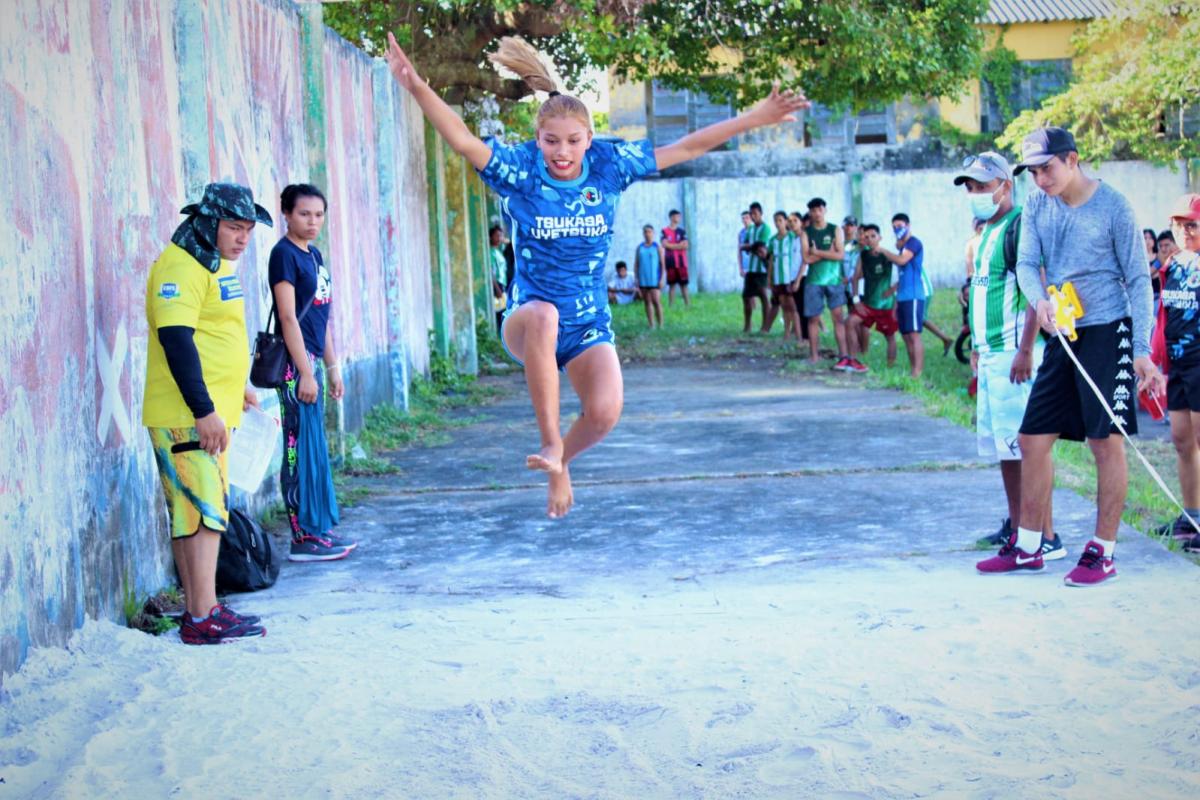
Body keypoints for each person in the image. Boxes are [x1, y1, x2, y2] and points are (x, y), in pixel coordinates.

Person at [385, 33, 807, 517]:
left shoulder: (609, 164)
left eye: (572, 141)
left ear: (589, 138)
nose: (561, 153)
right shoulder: (521, 169)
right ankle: (551, 450)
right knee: (544, 315)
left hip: (587, 323)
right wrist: (415, 84)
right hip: (528, 318)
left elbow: (687, 147)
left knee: (605, 413)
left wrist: (757, 116)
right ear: (537, 139)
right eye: (550, 142)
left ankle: (562, 456)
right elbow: (461, 139)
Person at [1006, 126, 1164, 585]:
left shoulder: (1113, 206)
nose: (1040, 180)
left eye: (1047, 168)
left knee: (1104, 442)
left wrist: (1139, 350)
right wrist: (1040, 303)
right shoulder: (1037, 204)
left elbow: (1138, 280)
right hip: (1063, 329)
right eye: (1033, 172)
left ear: (1072, 159)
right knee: (1033, 437)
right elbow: (1026, 264)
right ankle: (1030, 546)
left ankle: (1103, 551)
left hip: (1107, 331)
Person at [143, 182, 269, 644]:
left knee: (195, 512)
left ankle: (203, 609)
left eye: (249, 230)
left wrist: (237, 391)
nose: (242, 238)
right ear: (208, 221)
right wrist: (204, 409)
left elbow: (218, 335)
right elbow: (176, 341)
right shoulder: (180, 266)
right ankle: (201, 615)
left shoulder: (214, 263)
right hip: (187, 413)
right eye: (234, 227)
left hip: (211, 408)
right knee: (203, 513)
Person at [946, 152, 1064, 568]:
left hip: (1017, 356)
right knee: (1006, 449)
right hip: (991, 354)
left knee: (1028, 449)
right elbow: (982, 295)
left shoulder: (1018, 228)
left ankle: (1044, 536)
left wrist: (1026, 350)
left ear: (1004, 185)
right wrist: (977, 347)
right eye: (971, 188)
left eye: (982, 186)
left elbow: (1036, 292)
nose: (976, 195)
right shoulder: (986, 234)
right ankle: (1019, 529)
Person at [269, 184, 356, 562]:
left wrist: (332, 367)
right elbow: (288, 317)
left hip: (313, 361)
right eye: (304, 214)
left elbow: (321, 318)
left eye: (319, 215)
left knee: (314, 447)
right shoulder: (283, 255)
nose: (312, 221)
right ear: (286, 213)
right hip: (294, 364)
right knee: (296, 448)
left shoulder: (314, 254)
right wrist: (304, 371)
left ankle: (317, 529)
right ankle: (301, 538)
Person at [1151, 195, 1200, 551]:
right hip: (1177, 364)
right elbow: (1164, 317)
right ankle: (1192, 516)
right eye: (1179, 224)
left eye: (1192, 225)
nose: (1185, 231)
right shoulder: (1173, 265)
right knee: (1183, 441)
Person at [877, 213, 928, 377]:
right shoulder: (902, 246)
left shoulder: (913, 243)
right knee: (906, 335)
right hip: (903, 296)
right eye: (894, 227)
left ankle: (917, 372)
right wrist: (893, 291)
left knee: (914, 335)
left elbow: (902, 261)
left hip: (914, 295)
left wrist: (882, 250)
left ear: (908, 225)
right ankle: (913, 368)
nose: (897, 229)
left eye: (899, 226)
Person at [803, 198, 850, 367]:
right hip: (814, 281)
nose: (816, 213)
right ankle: (814, 356)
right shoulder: (806, 232)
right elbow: (807, 259)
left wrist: (818, 252)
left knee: (838, 317)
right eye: (813, 210)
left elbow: (840, 255)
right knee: (813, 319)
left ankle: (844, 355)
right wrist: (827, 252)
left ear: (825, 210)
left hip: (834, 280)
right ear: (810, 212)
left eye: (819, 210)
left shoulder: (835, 229)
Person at [846, 224, 896, 371]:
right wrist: (856, 300)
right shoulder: (863, 255)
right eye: (866, 237)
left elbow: (902, 271)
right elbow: (855, 277)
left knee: (890, 336)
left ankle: (890, 369)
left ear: (879, 238)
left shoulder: (887, 255)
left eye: (873, 236)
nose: (869, 239)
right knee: (849, 323)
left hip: (885, 305)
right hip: (867, 303)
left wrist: (893, 289)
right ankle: (853, 360)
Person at [766, 211, 802, 340]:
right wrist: (769, 277)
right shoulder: (772, 240)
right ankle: (786, 333)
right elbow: (771, 260)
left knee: (793, 307)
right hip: (778, 277)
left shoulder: (792, 237)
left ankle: (798, 335)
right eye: (775, 220)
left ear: (786, 221)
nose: (778, 223)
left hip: (789, 277)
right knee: (784, 306)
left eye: (780, 220)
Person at [740, 202, 773, 333]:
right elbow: (746, 245)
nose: (753, 217)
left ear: (761, 213)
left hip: (762, 269)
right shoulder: (751, 229)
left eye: (755, 214)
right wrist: (750, 247)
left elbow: (760, 246)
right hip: (751, 269)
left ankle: (765, 327)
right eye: (751, 214)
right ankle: (747, 326)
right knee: (746, 297)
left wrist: (750, 247)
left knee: (764, 297)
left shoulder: (766, 229)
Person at [635, 225, 666, 328]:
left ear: (653, 233)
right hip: (643, 279)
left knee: (656, 301)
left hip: (655, 280)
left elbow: (662, 264)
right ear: (643, 234)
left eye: (650, 232)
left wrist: (662, 278)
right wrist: (636, 279)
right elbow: (636, 264)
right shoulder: (640, 248)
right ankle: (651, 324)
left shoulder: (657, 247)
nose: (648, 234)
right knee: (647, 302)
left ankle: (661, 325)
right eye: (646, 232)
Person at [662, 209, 690, 307]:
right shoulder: (664, 231)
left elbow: (686, 245)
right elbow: (664, 245)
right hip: (670, 261)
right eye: (677, 216)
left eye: (679, 216)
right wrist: (678, 245)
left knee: (684, 284)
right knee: (672, 285)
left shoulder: (682, 231)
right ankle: (671, 305)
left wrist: (672, 245)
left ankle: (687, 305)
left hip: (682, 262)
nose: (678, 218)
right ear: (671, 217)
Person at [490, 225, 509, 330]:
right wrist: (498, 290)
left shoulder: (498, 251)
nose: (499, 238)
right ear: (490, 237)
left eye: (501, 236)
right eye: (497, 236)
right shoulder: (491, 252)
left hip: (502, 285)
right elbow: (491, 272)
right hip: (496, 286)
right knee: (500, 314)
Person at [841, 215, 860, 308]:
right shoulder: (839, 245)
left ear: (856, 227)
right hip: (844, 286)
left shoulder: (860, 245)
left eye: (851, 225)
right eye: (846, 225)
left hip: (858, 286)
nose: (849, 228)